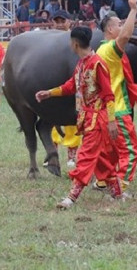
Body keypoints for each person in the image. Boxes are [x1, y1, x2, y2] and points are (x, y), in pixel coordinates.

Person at [36, 27, 125, 209]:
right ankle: (118, 194)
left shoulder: (97, 64)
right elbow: (71, 86)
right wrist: (50, 93)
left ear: (75, 43)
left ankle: (71, 197)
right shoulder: (82, 63)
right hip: (88, 118)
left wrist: (111, 121)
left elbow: (108, 95)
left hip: (97, 120)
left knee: (84, 157)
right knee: (101, 159)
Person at [94, 0, 137, 193]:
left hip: (106, 111)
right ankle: (120, 186)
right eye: (118, 24)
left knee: (111, 151)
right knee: (131, 151)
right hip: (117, 110)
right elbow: (124, 37)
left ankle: (103, 182)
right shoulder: (109, 49)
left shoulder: (100, 49)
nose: (122, 26)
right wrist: (133, 10)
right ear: (109, 30)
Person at [50, 10, 82, 168]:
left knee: (73, 119)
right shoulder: (48, 40)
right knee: (52, 117)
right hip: (54, 84)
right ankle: (52, 153)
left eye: (63, 21)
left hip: (73, 85)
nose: (60, 24)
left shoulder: (75, 40)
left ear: (69, 22)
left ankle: (72, 154)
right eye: (57, 21)